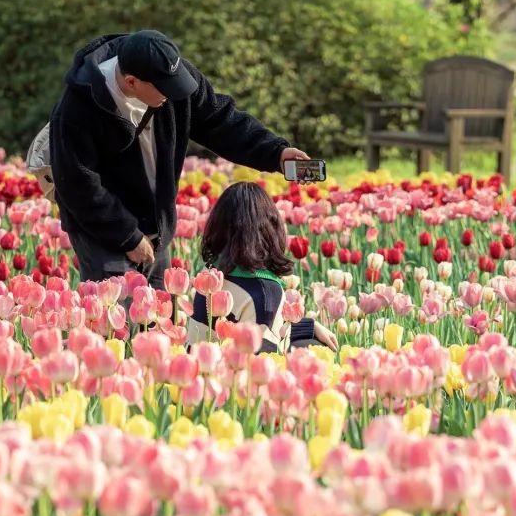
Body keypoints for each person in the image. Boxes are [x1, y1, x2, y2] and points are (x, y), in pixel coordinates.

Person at [47, 29, 308, 288]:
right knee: (119, 319)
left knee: (161, 322)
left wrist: (276, 153)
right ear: (131, 82)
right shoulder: (78, 108)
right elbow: (78, 184)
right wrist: (127, 237)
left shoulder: (169, 76)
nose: (173, 94)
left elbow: (221, 122)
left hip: (155, 223)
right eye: (164, 89)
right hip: (103, 230)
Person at [186, 181, 338, 354]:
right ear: (271, 229)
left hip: (200, 365)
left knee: (307, 337)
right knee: (314, 347)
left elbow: (239, 327)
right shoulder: (266, 292)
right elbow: (263, 359)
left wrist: (307, 325)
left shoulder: (210, 277)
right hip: (235, 374)